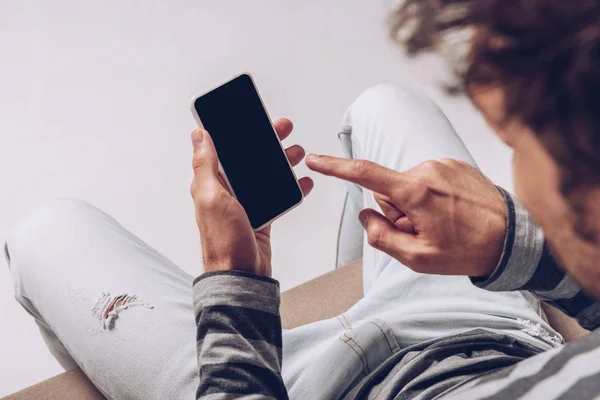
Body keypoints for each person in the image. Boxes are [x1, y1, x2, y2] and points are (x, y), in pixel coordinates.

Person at [5, 1, 600, 399]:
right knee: (384, 102)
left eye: (517, 148)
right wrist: (505, 243)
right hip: (484, 333)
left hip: (291, 386)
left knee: (45, 232)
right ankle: (377, 286)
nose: (511, 178)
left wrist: (233, 283)